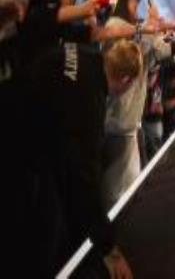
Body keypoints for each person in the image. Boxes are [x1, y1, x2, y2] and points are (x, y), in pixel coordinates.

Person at [21, 39, 141, 278]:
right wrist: (109, 250)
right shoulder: (90, 103)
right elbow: (85, 180)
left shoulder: (83, 52)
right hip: (19, 150)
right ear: (126, 80)